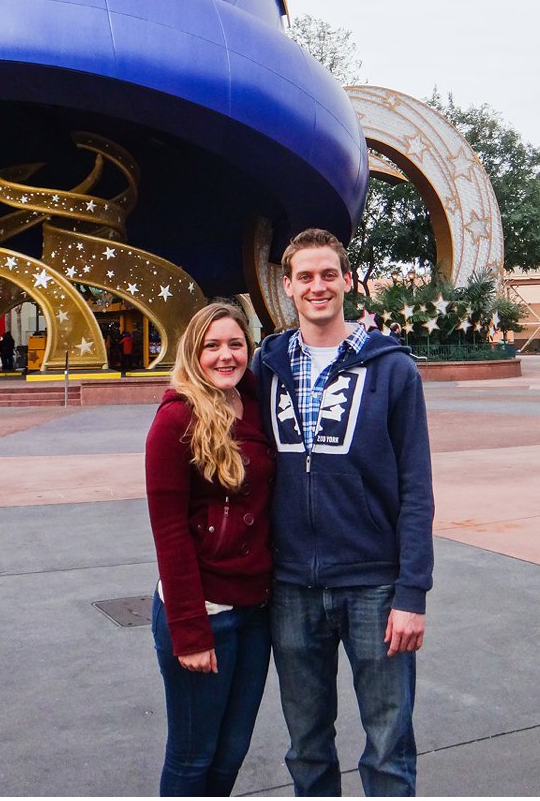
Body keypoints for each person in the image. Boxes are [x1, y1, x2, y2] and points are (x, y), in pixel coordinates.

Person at [252, 229, 434, 797]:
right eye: (305, 276)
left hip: (373, 587)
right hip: (290, 588)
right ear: (287, 287)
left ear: (347, 280)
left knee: (388, 747)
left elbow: (416, 487)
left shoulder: (392, 369)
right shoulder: (268, 366)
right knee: (306, 748)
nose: (317, 286)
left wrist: (412, 593)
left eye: (328, 274)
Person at [145, 302, 275, 796]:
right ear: (193, 352)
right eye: (212, 346)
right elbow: (170, 533)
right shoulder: (176, 418)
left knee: (231, 751)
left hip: (255, 610)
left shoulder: (257, 404)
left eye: (236, 344)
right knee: (192, 756)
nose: (226, 356)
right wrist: (189, 633)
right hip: (204, 612)